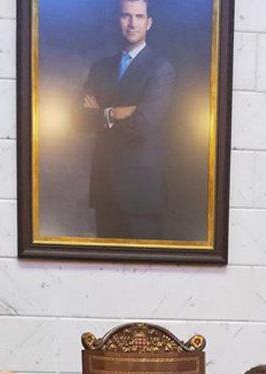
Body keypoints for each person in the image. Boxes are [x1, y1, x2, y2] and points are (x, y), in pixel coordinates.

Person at [79, 0, 176, 240]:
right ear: (118, 20)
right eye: (126, 16)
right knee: (104, 274)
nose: (132, 23)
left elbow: (143, 125)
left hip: (141, 194)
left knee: (144, 275)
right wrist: (114, 113)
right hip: (105, 189)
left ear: (149, 23)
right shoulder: (100, 68)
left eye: (139, 17)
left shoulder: (161, 69)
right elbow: (77, 119)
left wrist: (100, 114)